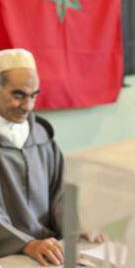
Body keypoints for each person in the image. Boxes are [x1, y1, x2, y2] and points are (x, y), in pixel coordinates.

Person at [0, 49, 64, 265]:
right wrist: (26, 243)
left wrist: (73, 226)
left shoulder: (42, 136)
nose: (27, 106)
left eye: (33, 95)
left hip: (48, 249)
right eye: (18, 95)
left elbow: (60, 194)